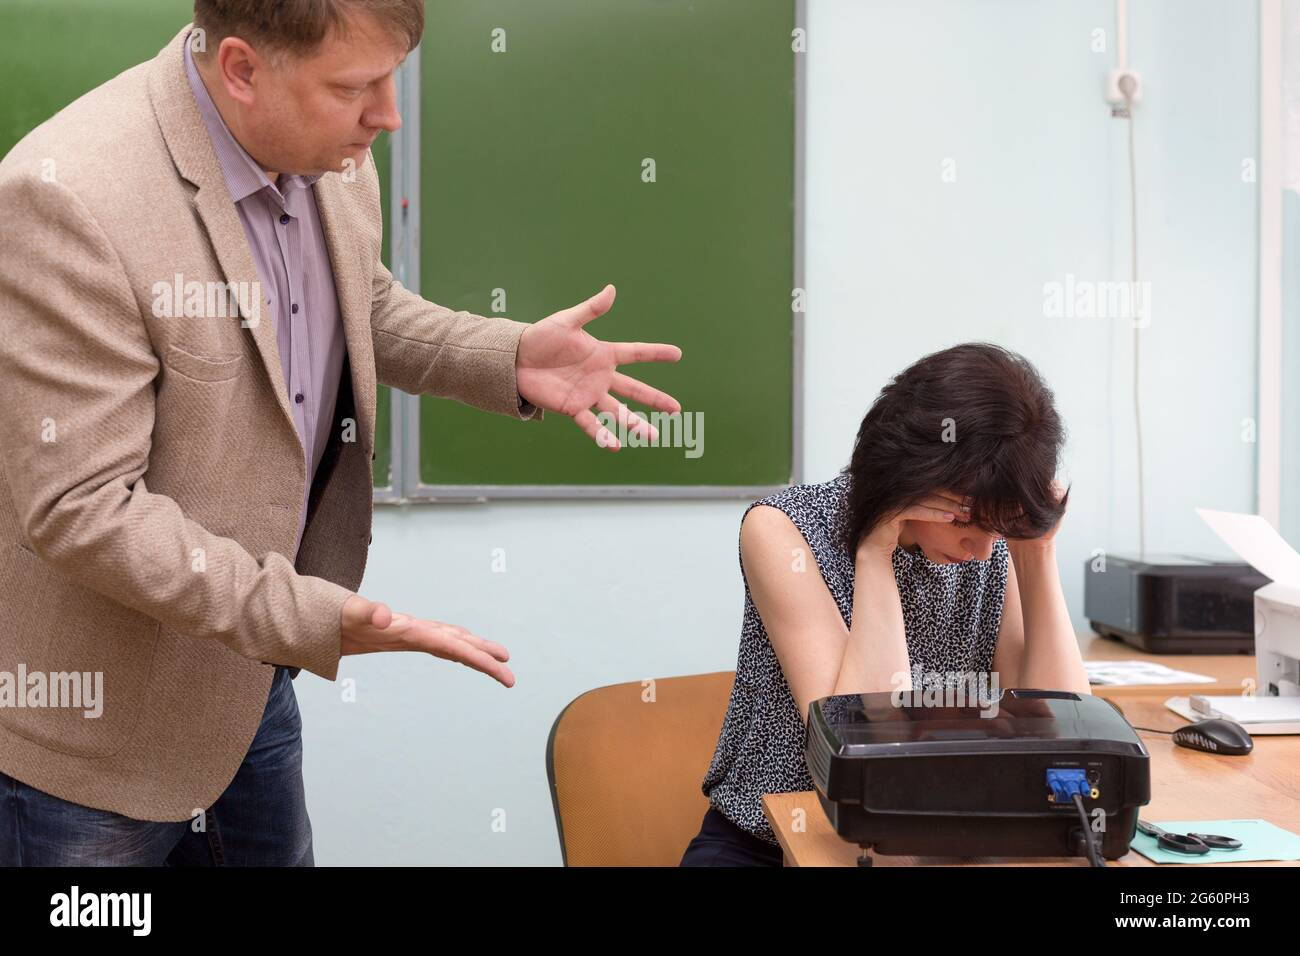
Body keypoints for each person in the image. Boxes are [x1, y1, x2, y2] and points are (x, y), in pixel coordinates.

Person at [0, 0, 680, 865]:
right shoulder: (71, 198)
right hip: (94, 746)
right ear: (242, 69)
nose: (387, 116)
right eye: (357, 87)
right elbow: (81, 508)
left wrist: (505, 357)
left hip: (248, 688)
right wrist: (311, 614)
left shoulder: (327, 151)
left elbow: (357, 307)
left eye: (392, 79)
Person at [680, 342, 1088, 866]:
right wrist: (874, 553)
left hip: (930, 846)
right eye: (965, 519)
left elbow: (1063, 735)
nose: (983, 550)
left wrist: (1038, 553)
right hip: (777, 845)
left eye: (999, 526)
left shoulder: (990, 545)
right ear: (909, 475)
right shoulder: (785, 529)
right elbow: (861, 746)